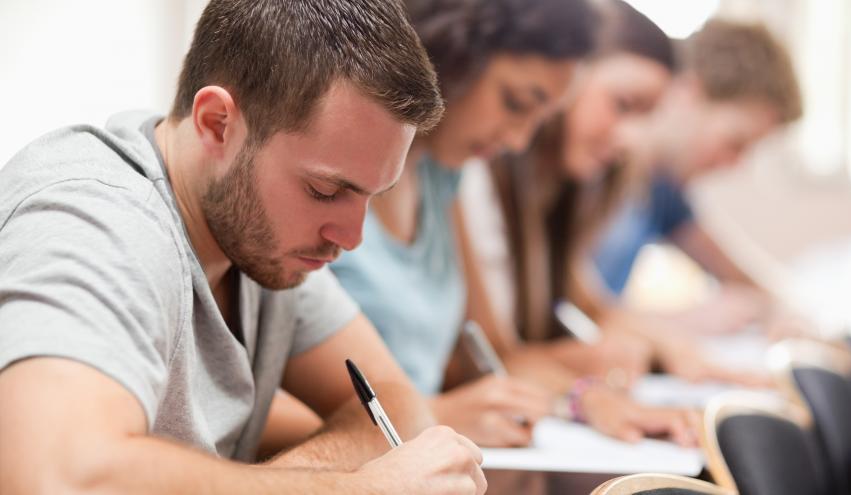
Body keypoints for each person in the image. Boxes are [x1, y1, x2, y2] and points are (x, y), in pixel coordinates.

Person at [0, 1, 487, 494]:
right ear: (216, 123)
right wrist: (356, 489)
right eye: (326, 191)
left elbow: (396, 402)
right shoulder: (96, 223)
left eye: (370, 196)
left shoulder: (263, 243)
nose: (352, 237)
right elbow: (57, 478)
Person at [329, 0, 596, 448]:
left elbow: (492, 349)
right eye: (514, 103)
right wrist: (432, 415)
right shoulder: (330, 171)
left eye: (538, 120)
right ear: (449, 54)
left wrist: (583, 399)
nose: (517, 140)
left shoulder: (440, 173)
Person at [455, 0, 701, 444]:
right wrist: (581, 388)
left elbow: (593, 306)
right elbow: (488, 355)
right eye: (623, 104)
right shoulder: (472, 174)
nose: (630, 139)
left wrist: (676, 351)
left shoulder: (554, 196)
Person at [592, 19, 804, 337]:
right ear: (688, 93)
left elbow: (742, 278)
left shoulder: (662, 190)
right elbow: (561, 316)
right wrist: (681, 322)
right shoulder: (591, 164)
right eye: (735, 143)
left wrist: (778, 311)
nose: (734, 164)